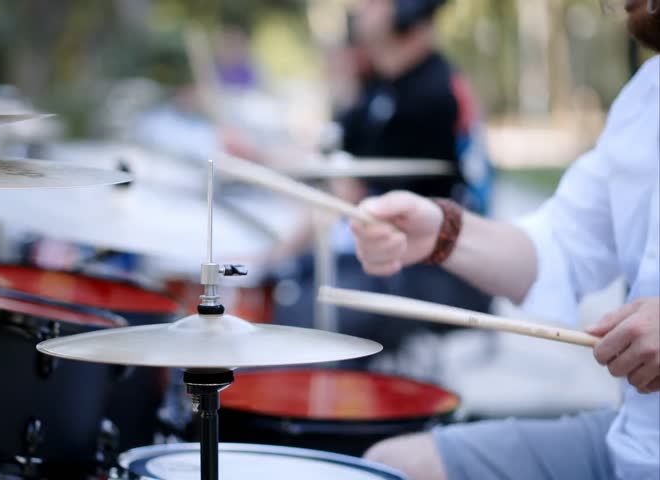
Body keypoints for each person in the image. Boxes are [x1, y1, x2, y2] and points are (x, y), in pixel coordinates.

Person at [350, 1, 660, 478]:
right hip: (635, 436)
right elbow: (559, 247)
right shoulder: (647, 96)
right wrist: (441, 230)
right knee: (390, 466)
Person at [269, 0, 494, 371]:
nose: (359, 8)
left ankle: (333, 420)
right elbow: (330, 159)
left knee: (309, 311)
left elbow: (349, 190)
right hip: (393, 252)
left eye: (375, 3)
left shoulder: (433, 93)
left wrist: (275, 252)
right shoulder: (384, 87)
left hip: (439, 267)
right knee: (295, 278)